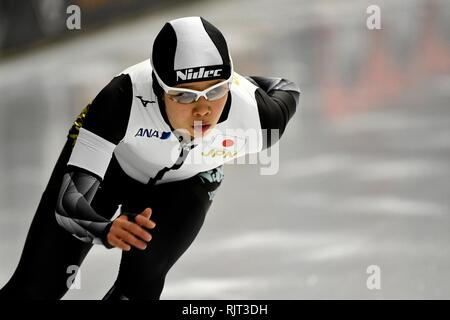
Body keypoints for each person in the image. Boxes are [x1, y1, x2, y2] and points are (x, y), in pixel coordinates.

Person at [0, 16, 299, 300]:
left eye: (216, 90)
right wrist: (105, 229)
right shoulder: (120, 100)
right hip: (111, 169)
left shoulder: (260, 119)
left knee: (139, 282)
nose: (203, 109)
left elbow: (287, 88)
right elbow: (69, 204)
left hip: (186, 183)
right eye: (184, 95)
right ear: (157, 88)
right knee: (36, 289)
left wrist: (241, 83)